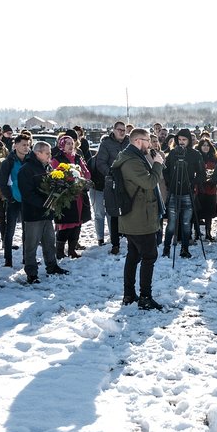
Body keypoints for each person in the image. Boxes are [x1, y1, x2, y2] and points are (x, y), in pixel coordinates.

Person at [111, 128, 166, 310]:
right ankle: (145, 297)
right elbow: (149, 182)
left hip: (136, 215)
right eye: (147, 140)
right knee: (149, 256)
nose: (150, 144)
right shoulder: (131, 161)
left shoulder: (132, 157)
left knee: (134, 255)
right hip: (139, 217)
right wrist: (157, 164)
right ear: (137, 141)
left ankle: (129, 294)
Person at [17, 141, 69, 283]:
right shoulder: (26, 169)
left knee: (49, 242)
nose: (50, 156)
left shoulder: (47, 167)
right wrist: (45, 204)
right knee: (31, 245)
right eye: (47, 153)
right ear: (37, 153)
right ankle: (31, 272)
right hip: (33, 214)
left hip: (47, 213)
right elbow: (27, 194)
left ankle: (52, 266)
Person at [162, 128, 204, 258]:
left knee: (186, 223)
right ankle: (166, 248)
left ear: (189, 140)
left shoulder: (195, 154)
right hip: (174, 193)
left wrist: (192, 182)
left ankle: (185, 249)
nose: (181, 142)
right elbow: (165, 171)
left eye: (184, 140)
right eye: (179, 139)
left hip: (188, 193)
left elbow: (202, 173)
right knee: (172, 223)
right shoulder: (173, 154)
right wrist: (171, 183)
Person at [50, 133, 92, 259]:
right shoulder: (57, 159)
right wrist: (69, 181)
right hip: (65, 196)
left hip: (79, 195)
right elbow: (54, 175)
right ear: (61, 145)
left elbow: (87, 172)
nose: (70, 146)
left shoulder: (78, 158)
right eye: (67, 143)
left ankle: (72, 249)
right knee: (65, 224)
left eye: (71, 144)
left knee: (77, 222)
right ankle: (60, 251)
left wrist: (83, 179)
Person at [95, 121, 129, 254]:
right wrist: (110, 172)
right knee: (114, 213)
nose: (122, 132)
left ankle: (130, 237)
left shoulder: (129, 142)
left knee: (130, 210)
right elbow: (100, 162)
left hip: (128, 181)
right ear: (114, 130)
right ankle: (115, 243)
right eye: (119, 129)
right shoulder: (106, 144)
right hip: (113, 182)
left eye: (123, 130)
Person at [0, 133, 31, 267]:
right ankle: (8, 259)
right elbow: (2, 182)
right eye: (23, 145)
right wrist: (10, 198)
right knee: (10, 230)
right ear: (16, 145)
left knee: (27, 231)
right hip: (13, 200)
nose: (26, 147)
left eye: (28, 145)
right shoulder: (8, 162)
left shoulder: (30, 160)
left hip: (27, 201)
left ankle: (26, 257)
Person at [195, 138, 217, 241]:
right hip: (199, 189)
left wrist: (214, 179)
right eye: (203, 145)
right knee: (198, 212)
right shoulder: (196, 157)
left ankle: (208, 232)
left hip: (211, 188)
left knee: (209, 213)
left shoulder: (214, 158)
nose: (206, 147)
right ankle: (196, 232)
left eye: (207, 145)